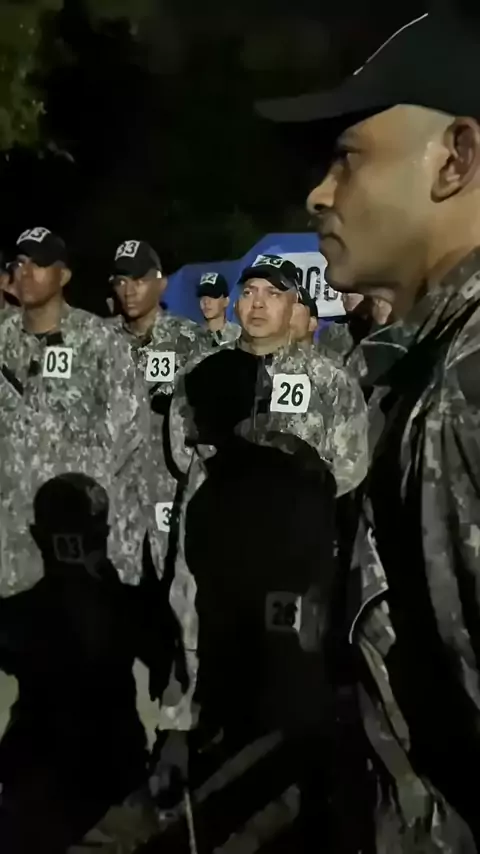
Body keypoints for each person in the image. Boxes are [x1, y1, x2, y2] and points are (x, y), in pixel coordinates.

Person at [258, 6, 480, 851]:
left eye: (348, 156)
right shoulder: (434, 363)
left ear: (455, 159)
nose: (319, 193)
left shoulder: (465, 386)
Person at [150, 255, 368, 851]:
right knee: (211, 681)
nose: (257, 303)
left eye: (273, 293)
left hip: (292, 565)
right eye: (249, 291)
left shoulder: (328, 381)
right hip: (216, 557)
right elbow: (182, 453)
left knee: (291, 697)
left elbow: (349, 469)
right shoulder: (205, 372)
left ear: (295, 304)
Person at [0, 473, 158, 853]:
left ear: (39, 537)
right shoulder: (130, 609)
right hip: (116, 795)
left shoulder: (19, 618)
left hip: (41, 801)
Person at [0, 227, 151, 595]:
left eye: (40, 264)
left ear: (63, 275)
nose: (26, 273)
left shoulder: (98, 341)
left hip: (76, 539)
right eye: (20, 263)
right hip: (11, 538)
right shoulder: (2, 339)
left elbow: (131, 429)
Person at [109, 239, 210, 574]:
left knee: (171, 585)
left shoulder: (190, 340)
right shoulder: (98, 340)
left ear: (161, 283)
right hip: (115, 492)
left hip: (172, 489)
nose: (129, 291)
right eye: (121, 281)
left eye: (139, 280)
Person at [197, 271, 240, 346]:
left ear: (226, 301)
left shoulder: (239, 336)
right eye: (202, 296)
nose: (206, 301)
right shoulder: (192, 336)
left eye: (212, 295)